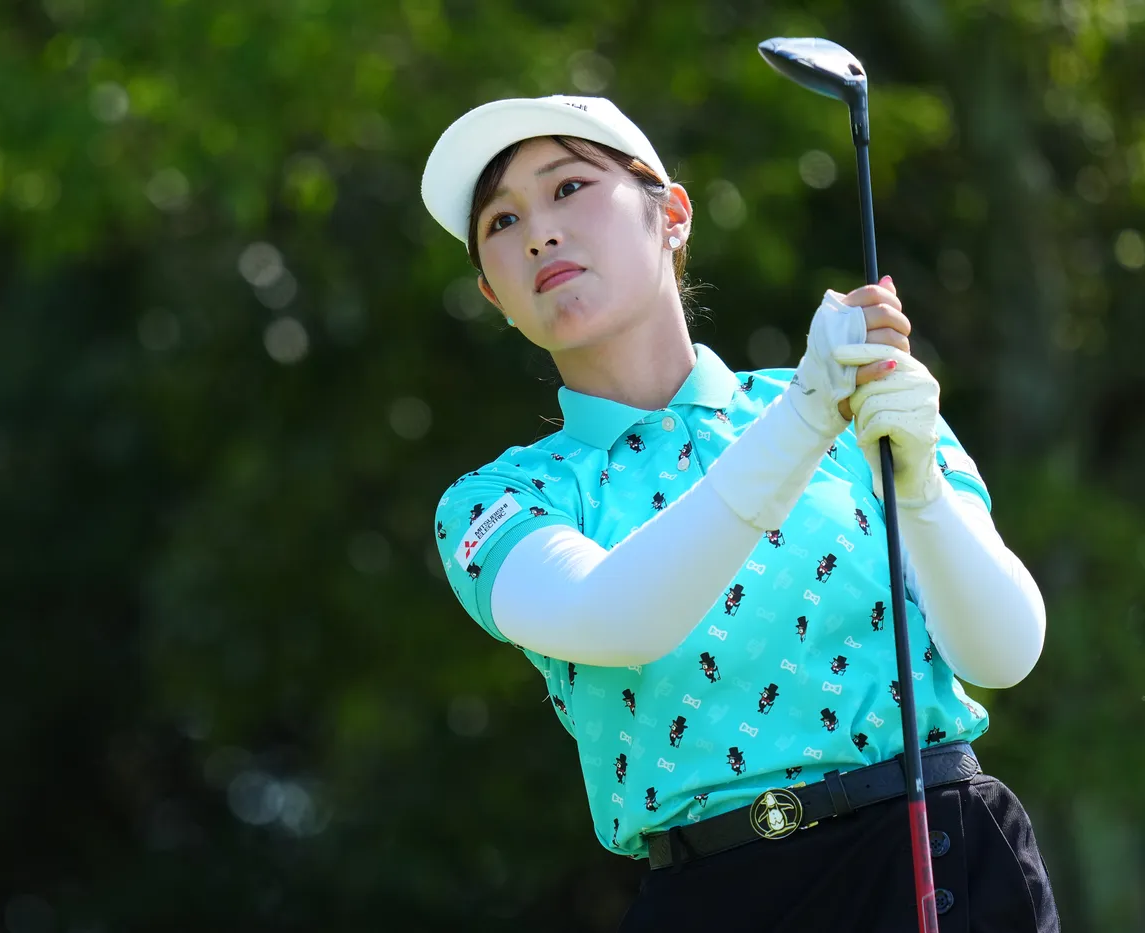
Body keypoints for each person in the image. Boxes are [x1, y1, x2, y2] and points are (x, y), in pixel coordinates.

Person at [421, 94, 1059, 931]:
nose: (539, 232)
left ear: (672, 215)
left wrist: (920, 490)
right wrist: (806, 415)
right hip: (713, 898)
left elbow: (1004, 650)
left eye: (569, 187)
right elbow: (616, 614)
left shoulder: (850, 400)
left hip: (936, 859)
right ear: (493, 293)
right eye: (502, 221)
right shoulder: (500, 499)